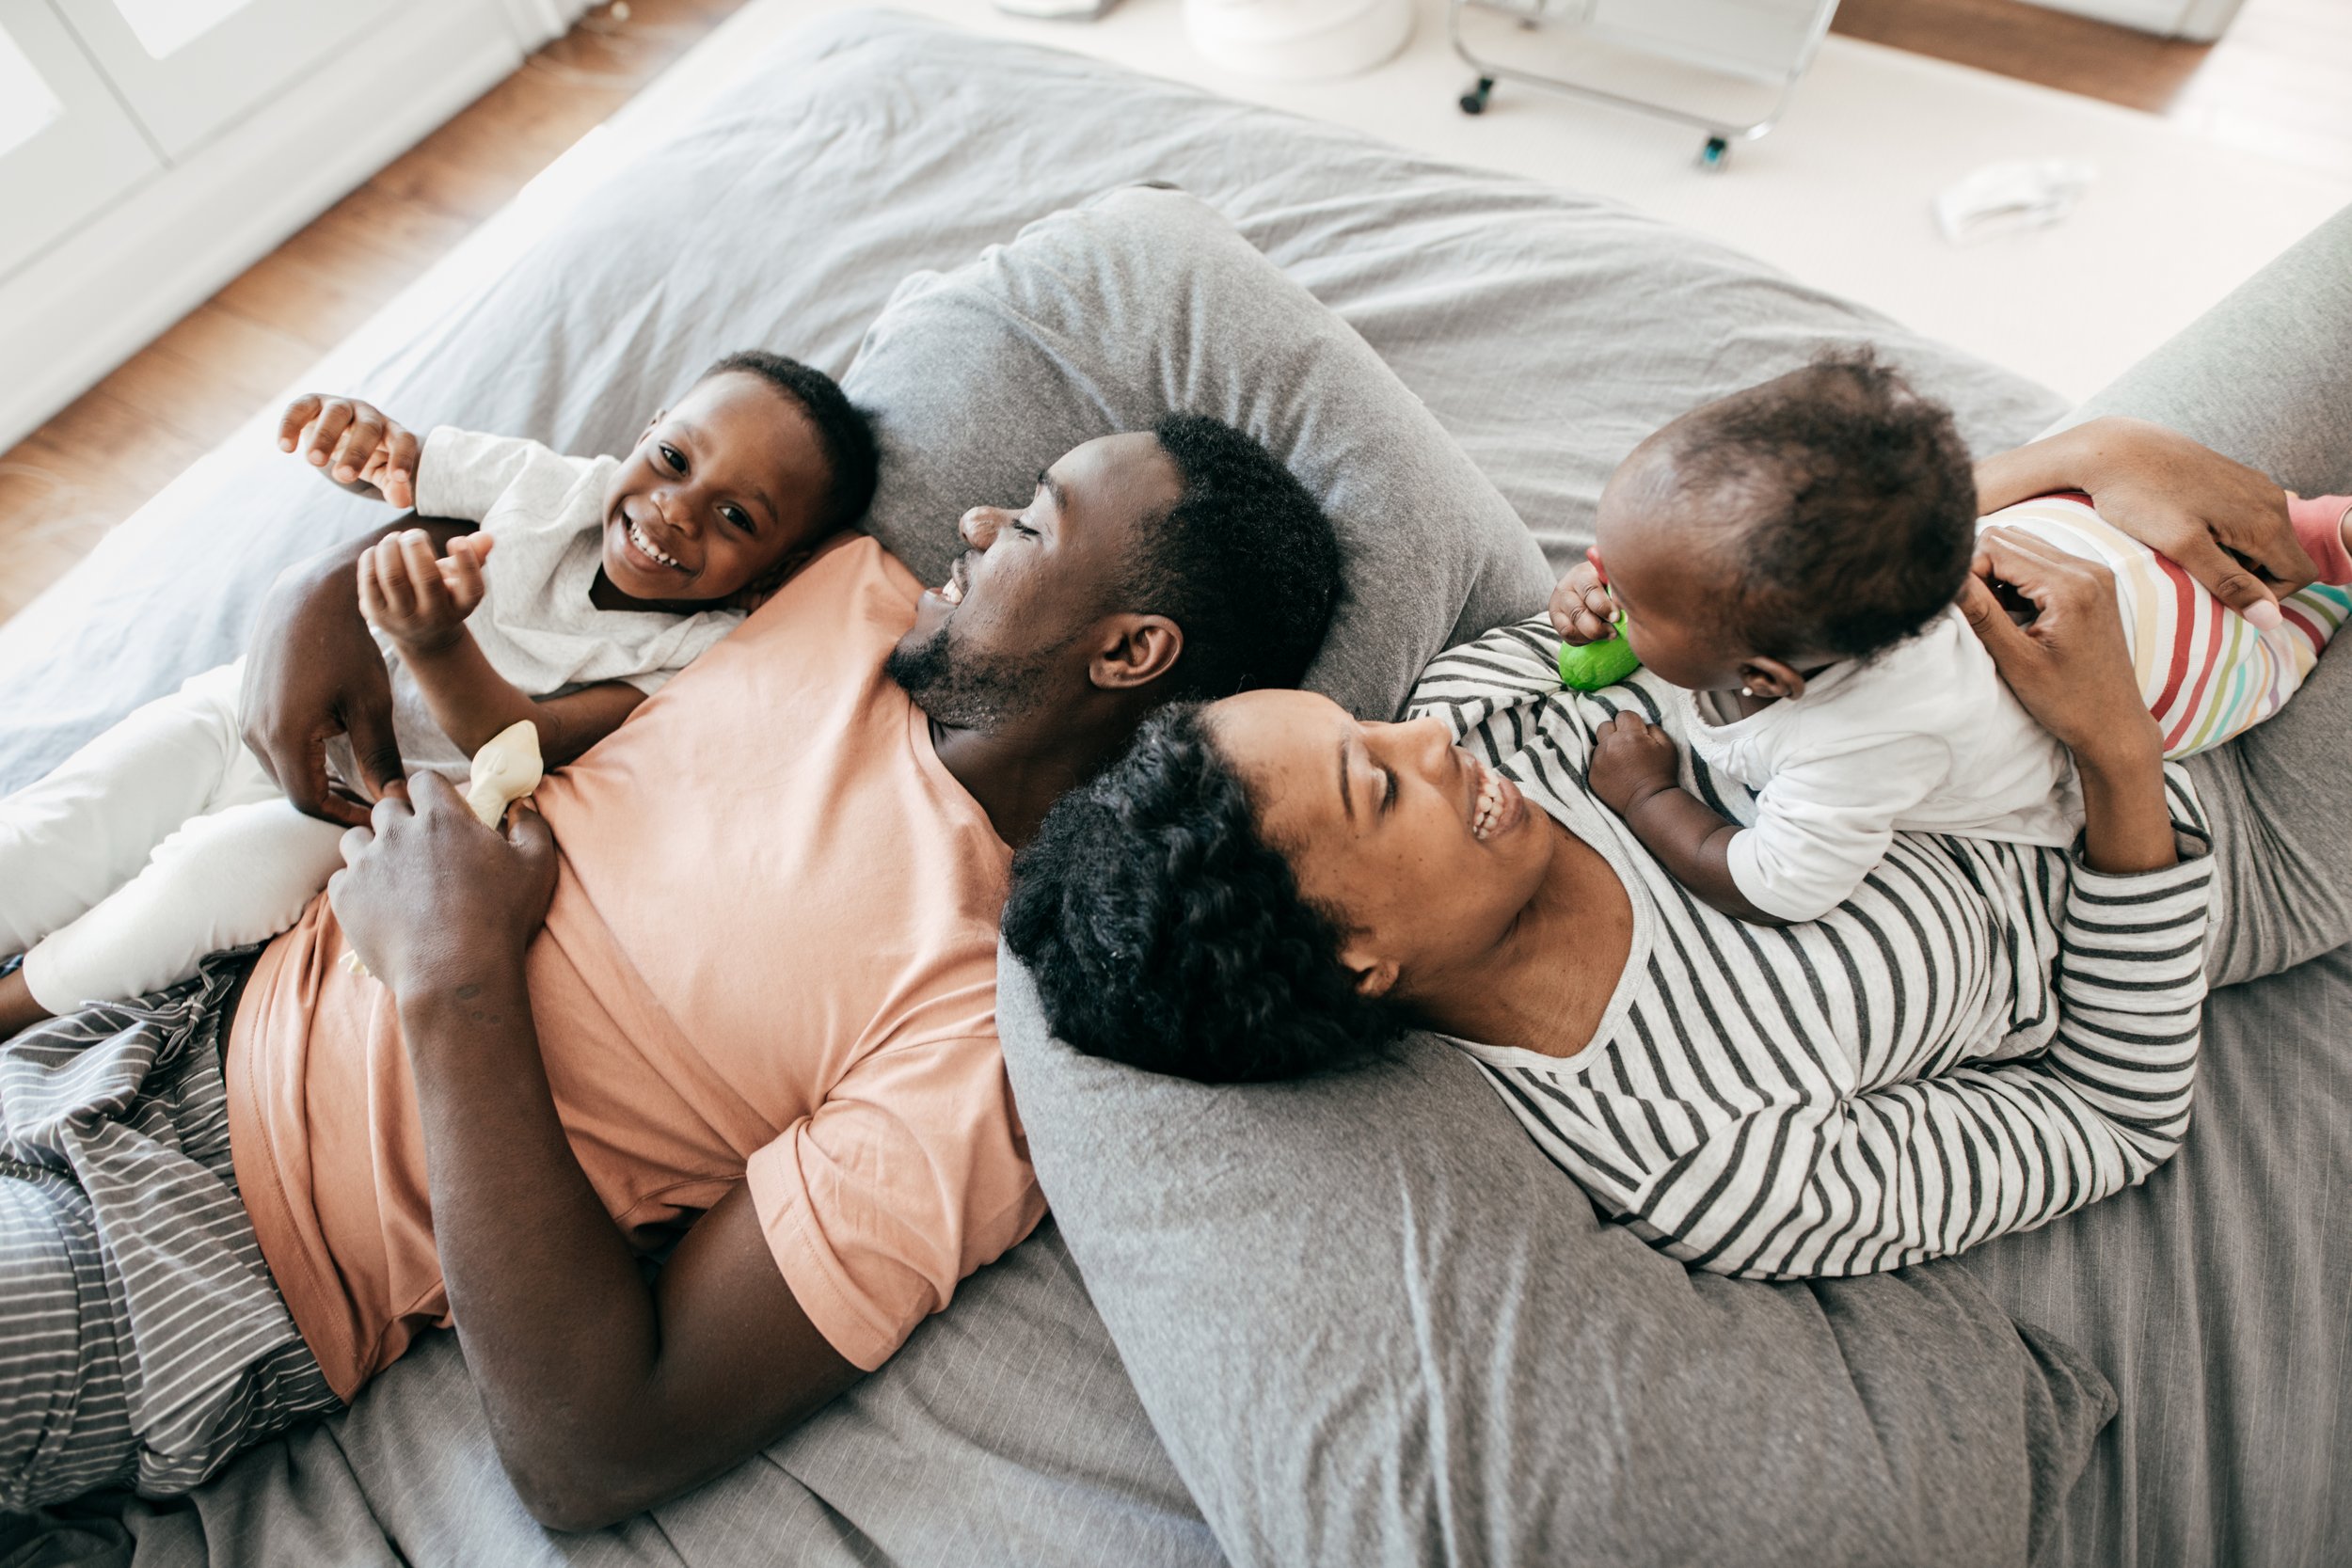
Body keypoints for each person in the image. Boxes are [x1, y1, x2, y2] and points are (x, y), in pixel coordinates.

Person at [0, 413, 1342, 1522]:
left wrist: (456, 975)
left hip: (200, 1252)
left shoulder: (983, 1028)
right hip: (163, 996)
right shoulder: (848, 596)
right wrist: (334, 583)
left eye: (1035, 522)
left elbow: (599, 1444)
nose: (980, 523)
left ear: (1127, 649)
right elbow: (587, 531)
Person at [1005, 420, 2350, 1281]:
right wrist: (2115, 752)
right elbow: (2113, 1115)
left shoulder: (1484, 709)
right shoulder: (1703, 1156)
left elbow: (1753, 584)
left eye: (1368, 724)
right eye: (1378, 787)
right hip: (2221, 810)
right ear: (1358, 953)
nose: (1425, 739)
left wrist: (2090, 457)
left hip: (2031, 567)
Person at [0, 353, 877, 1038]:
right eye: (673, 458)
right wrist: (352, 437)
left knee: (206, 881)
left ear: (783, 568)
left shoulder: (692, 653)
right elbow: (403, 466)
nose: (676, 510)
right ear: (646, 432)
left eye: (737, 519)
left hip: (353, 814)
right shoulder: (549, 485)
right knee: (55, 833)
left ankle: (19, 1003)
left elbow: (525, 738)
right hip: (243, 710)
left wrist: (435, 642)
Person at [1541, 351, 2352, 925]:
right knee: (2088, 529)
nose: (1600, 576)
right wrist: (1623, 593)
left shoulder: (1856, 744)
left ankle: (2316, 598)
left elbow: (1770, 884)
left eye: (1630, 595)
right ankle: (2314, 533)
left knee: (2279, 636)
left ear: (1769, 676)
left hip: (2178, 669)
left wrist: (1650, 796)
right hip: (2072, 530)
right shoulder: (1878, 561)